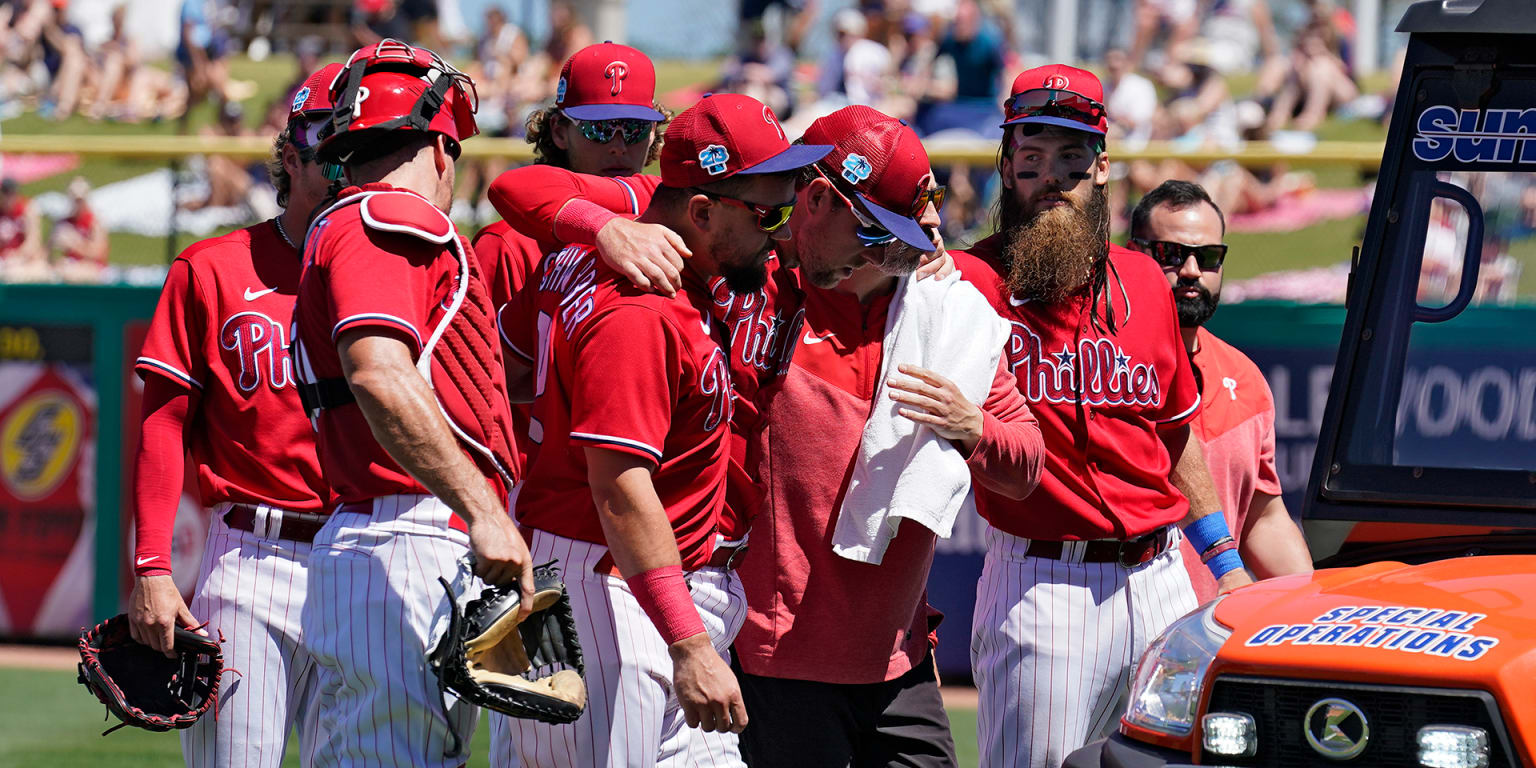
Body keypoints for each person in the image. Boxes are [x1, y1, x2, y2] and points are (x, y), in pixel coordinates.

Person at [492, 92, 830, 768]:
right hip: (597, 583)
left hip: (627, 576)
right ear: (701, 211)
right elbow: (619, 488)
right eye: (769, 212)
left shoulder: (659, 236)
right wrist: (691, 644)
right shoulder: (643, 310)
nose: (782, 230)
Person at [950, 64, 1254, 768]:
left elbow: (1176, 433)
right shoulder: (971, 283)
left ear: (1101, 166)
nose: (1051, 177)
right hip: (1044, 580)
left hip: (1160, 580)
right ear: (1006, 165)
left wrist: (1224, 559)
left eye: (1070, 158)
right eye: (1031, 159)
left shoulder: (1147, 280)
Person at [731, 107, 1044, 768]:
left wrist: (973, 430)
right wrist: (604, 226)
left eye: (903, 234)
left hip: (896, 664)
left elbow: (1025, 466)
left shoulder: (942, 313)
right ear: (815, 197)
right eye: (874, 232)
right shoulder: (748, 287)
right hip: (776, 659)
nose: (891, 252)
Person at [291, 41, 534, 766]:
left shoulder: (345, 217)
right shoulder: (386, 218)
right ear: (439, 142)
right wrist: (487, 511)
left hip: (385, 537)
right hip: (405, 535)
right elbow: (378, 373)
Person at [127, 62, 342, 768]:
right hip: (253, 552)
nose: (345, 159)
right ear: (290, 153)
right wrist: (154, 567)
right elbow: (163, 424)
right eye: (328, 139)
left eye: (363, 143)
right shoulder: (213, 268)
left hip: (369, 552)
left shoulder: (409, 274)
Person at [473, 41, 670, 466]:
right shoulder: (506, 243)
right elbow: (480, 387)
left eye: (634, 129)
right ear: (559, 131)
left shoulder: (668, 227)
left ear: (654, 133)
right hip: (533, 492)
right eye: (600, 129)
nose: (618, 145)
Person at [1127, 179, 1312, 601]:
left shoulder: (1245, 378)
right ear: (1133, 255)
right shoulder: (1100, 365)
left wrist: (1314, 605)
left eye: (1208, 256)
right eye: (1170, 255)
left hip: (1207, 625)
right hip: (1111, 618)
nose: (1192, 270)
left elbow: (1260, 518)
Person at [50, 175, 107, 281]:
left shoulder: (94, 222)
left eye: (80, 200)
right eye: (74, 199)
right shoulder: (62, 223)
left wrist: (74, 245)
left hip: (90, 268)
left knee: (69, 273)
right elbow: (48, 252)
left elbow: (98, 253)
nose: (76, 203)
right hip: (65, 266)